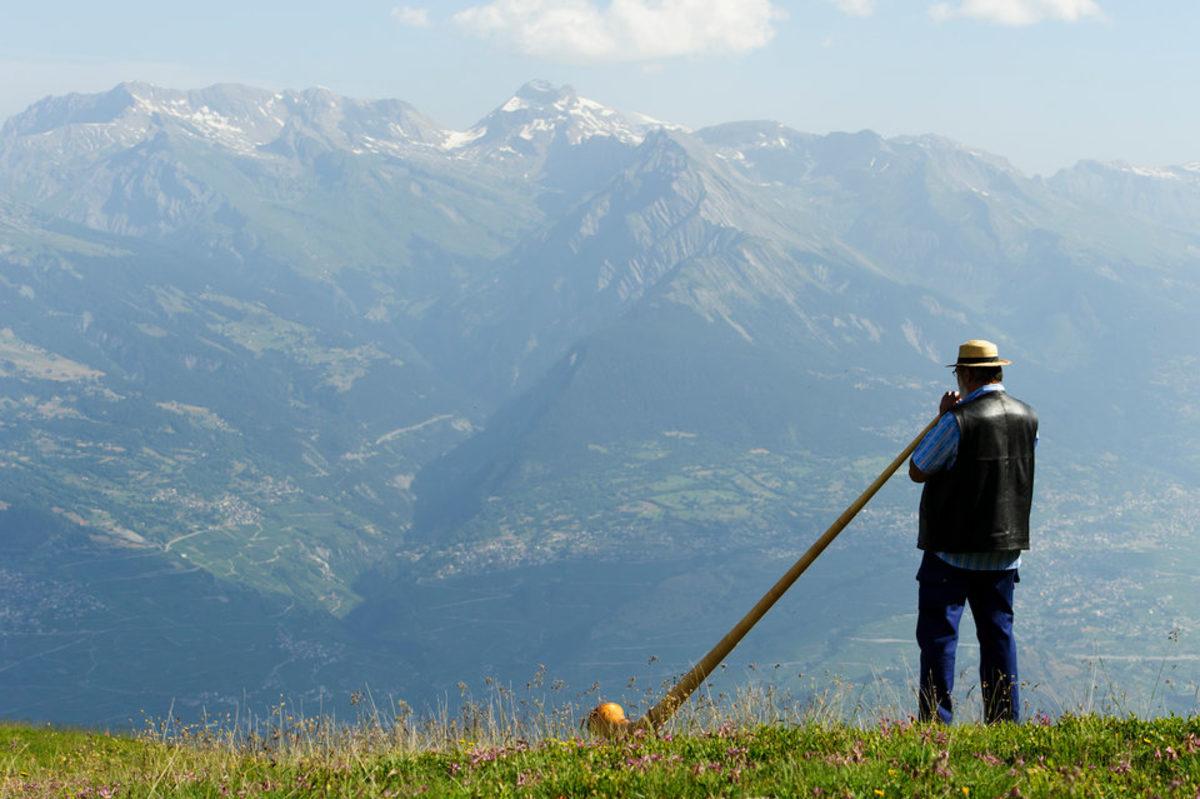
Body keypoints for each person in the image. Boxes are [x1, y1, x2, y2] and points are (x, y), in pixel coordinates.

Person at [908, 339, 1037, 724]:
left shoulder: (959, 419)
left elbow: (919, 468)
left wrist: (942, 417)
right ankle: (1004, 723)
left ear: (965, 374)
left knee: (939, 639)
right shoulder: (1027, 416)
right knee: (999, 638)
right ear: (997, 371)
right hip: (1005, 549)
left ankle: (936, 723)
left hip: (952, 550)